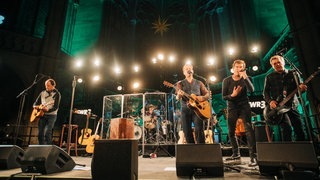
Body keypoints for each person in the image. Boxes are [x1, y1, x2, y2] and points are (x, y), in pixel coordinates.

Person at [263, 55, 307, 141]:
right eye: (274, 64)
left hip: (293, 105)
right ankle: (288, 152)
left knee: (300, 129)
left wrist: (302, 89)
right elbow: (265, 92)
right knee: (287, 129)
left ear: (283, 62)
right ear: (272, 66)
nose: (277, 64)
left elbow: (300, 88)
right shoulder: (269, 77)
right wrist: (270, 101)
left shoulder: (293, 73)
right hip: (280, 107)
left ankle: (302, 151)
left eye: (278, 62)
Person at [222, 59, 257, 166]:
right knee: (231, 132)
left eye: (241, 67)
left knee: (248, 129)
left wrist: (245, 77)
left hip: (244, 106)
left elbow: (252, 90)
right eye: (237, 67)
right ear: (233, 68)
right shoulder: (226, 80)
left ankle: (253, 157)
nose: (239, 69)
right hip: (232, 107)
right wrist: (232, 95)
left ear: (243, 68)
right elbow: (224, 97)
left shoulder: (247, 78)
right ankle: (236, 153)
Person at [176, 64, 210, 144]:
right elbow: (177, 97)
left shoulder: (199, 82)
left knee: (199, 129)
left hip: (198, 110)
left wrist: (202, 98)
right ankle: (191, 150)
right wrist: (179, 95)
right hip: (185, 110)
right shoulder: (180, 83)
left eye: (190, 68)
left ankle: (201, 150)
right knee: (187, 130)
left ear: (192, 71)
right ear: (184, 72)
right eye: (186, 69)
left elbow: (207, 94)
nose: (188, 70)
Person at [33, 78, 61, 145]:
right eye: (46, 85)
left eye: (48, 85)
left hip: (52, 116)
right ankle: (40, 149)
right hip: (42, 115)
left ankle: (48, 150)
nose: (46, 87)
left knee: (47, 133)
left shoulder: (57, 94)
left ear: (53, 85)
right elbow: (35, 103)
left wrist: (48, 110)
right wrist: (36, 107)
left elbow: (55, 107)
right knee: (40, 134)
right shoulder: (42, 93)